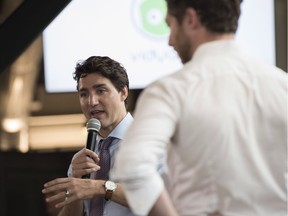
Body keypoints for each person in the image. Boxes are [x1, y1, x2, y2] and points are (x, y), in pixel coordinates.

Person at [110, 0, 288, 216]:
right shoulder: (282, 84)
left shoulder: (169, 90)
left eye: (170, 26)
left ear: (191, 19)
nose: (169, 41)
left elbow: (132, 167)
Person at [42, 56, 136, 216]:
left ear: (123, 92)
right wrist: (77, 181)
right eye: (84, 94)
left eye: (101, 90)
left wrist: (100, 187)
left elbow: (162, 198)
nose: (91, 101)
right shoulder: (82, 159)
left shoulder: (151, 143)